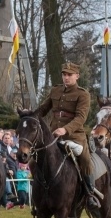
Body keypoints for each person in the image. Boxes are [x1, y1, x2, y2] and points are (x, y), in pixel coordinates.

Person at [30, 61, 101, 209]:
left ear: (77, 76)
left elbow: (81, 118)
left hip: (74, 136)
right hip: (53, 137)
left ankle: (90, 194)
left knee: (85, 160)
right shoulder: (55, 91)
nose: (66, 77)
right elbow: (43, 109)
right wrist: (30, 115)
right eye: (64, 74)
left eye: (69, 75)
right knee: (34, 161)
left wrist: (65, 130)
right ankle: (39, 193)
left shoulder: (83, 94)